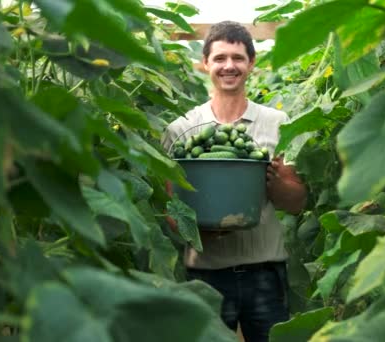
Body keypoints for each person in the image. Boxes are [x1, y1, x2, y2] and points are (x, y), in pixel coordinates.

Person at [161, 21, 307, 342]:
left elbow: (295, 203)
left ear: (251, 64)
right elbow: (173, 213)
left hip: (265, 272)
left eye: (238, 58)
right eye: (220, 58)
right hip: (206, 273)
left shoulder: (278, 124)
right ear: (205, 63)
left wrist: (277, 182)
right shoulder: (180, 129)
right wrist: (205, 228)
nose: (230, 66)